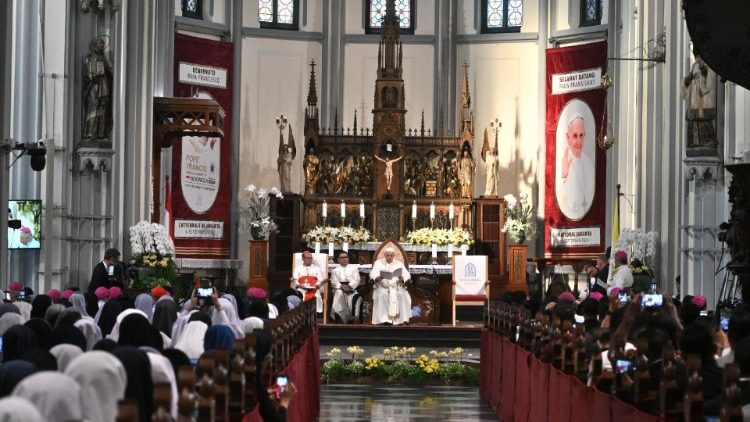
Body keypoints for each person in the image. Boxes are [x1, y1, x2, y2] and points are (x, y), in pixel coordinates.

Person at [557, 116, 595, 220]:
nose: (579, 141)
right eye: (575, 136)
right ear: (567, 137)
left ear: (585, 136)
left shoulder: (588, 163)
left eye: (581, 135)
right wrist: (564, 175)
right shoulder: (562, 161)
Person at [681, 54, 718, 149]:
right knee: (693, 119)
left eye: (699, 56)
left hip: (703, 95)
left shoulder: (708, 63)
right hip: (694, 94)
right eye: (696, 56)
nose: (697, 58)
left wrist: (702, 65)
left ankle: (709, 142)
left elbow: (708, 74)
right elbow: (689, 78)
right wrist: (687, 79)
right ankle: (694, 142)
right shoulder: (694, 65)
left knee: (704, 118)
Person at [370, 247, 412, 325]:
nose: (389, 257)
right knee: (383, 295)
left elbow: (407, 275)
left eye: (391, 255)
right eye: (387, 255)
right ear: (384, 255)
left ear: (394, 256)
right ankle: (384, 319)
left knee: (401, 294)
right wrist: (377, 277)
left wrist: (402, 278)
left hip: (396, 287)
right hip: (382, 287)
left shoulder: (399, 263)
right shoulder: (378, 263)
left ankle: (401, 319)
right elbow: (373, 273)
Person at [83, 36, 113, 139]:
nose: (102, 46)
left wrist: (109, 67)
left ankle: (102, 133)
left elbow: (110, 74)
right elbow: (87, 74)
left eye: (103, 44)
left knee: (103, 109)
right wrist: (94, 75)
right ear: (95, 45)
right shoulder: (89, 57)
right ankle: (91, 132)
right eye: (101, 44)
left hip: (104, 86)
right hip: (94, 87)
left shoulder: (104, 58)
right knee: (93, 108)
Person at [330, 252, 361, 324]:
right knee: (339, 293)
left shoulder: (354, 268)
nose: (344, 259)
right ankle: (341, 317)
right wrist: (341, 286)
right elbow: (333, 282)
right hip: (339, 289)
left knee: (354, 297)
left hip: (351, 288)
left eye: (345, 257)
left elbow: (357, 279)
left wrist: (349, 286)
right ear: (338, 260)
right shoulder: (335, 270)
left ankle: (351, 318)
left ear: (348, 259)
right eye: (342, 258)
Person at [277, 126, 296, 193]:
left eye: (286, 147)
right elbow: (278, 160)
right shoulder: (282, 154)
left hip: (286, 168)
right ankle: (283, 189)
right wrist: (280, 160)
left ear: (287, 148)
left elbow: (290, 160)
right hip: (282, 167)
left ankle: (287, 189)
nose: (285, 148)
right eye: (284, 147)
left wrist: (285, 160)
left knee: (287, 178)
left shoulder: (289, 154)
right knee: (282, 178)